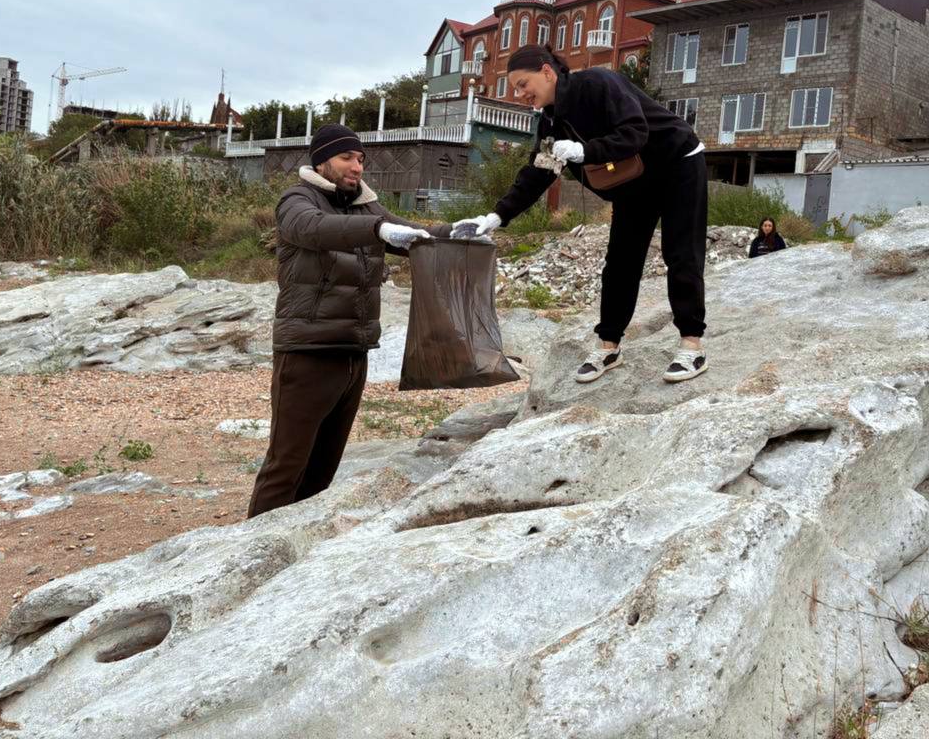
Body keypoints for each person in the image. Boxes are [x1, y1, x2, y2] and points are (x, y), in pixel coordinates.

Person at [453, 44, 709, 384]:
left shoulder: (600, 84)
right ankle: (608, 346)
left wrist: (585, 150)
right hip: (635, 181)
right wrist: (496, 217)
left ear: (547, 72)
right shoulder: (549, 122)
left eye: (523, 84)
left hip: (677, 161)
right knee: (620, 263)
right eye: (516, 88)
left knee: (681, 253)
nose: (520, 94)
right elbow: (539, 173)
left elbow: (635, 132)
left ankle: (691, 345)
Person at [248, 124, 447, 518]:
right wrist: (377, 229)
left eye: (360, 159)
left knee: (322, 471)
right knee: (286, 466)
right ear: (322, 160)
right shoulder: (296, 200)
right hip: (307, 352)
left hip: (354, 352)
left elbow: (410, 232)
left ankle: (292, 550)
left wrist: (456, 233)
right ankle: (248, 554)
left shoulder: (366, 205)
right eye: (346, 158)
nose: (357, 167)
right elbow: (316, 229)